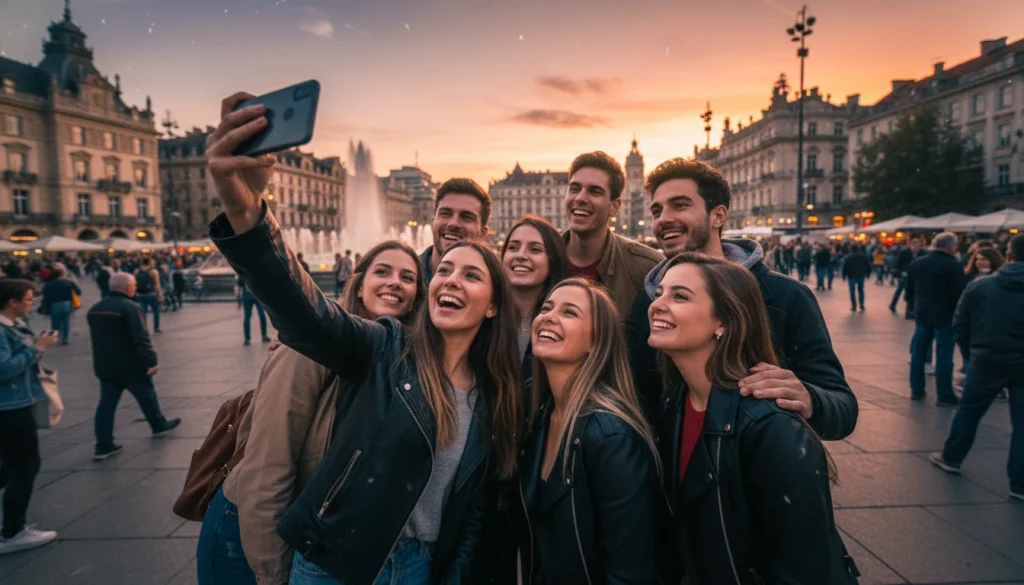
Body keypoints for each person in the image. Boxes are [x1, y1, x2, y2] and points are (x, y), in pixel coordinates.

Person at [206, 92, 522, 585]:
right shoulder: (385, 346)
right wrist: (247, 212)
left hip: (419, 566)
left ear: (495, 305)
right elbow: (304, 312)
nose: (451, 280)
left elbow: (476, 506)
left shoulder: (495, 390)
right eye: (444, 271)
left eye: (473, 275)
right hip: (337, 563)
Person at [198, 240, 427, 585]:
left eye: (408, 278)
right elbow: (268, 464)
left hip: (311, 530)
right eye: (382, 271)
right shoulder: (307, 348)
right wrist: (273, 572)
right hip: (247, 525)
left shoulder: (403, 356)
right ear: (359, 282)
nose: (395, 281)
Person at [648, 253, 859, 584]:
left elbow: (804, 568)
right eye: (659, 292)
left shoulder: (770, 428)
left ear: (724, 322)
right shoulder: (675, 403)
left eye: (679, 296)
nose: (658, 304)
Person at [627, 158, 857, 441]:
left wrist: (809, 399)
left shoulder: (785, 296)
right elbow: (640, 395)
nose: (663, 219)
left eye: (680, 205)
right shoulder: (649, 301)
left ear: (718, 216)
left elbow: (843, 408)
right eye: (656, 210)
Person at [513, 278, 673, 585]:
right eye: (546, 308)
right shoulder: (542, 415)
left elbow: (630, 571)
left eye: (569, 313)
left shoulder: (612, 437)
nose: (548, 316)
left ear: (596, 343)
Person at [930, 234, 1024, 501]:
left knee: (969, 411)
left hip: (987, 358)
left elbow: (960, 323)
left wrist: (971, 354)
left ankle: (952, 458)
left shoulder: (981, 287)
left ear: (1008, 255)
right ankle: (1019, 484)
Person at [86, 273, 180, 460]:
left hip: (105, 365)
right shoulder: (130, 307)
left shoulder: (95, 309)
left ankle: (103, 444)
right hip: (130, 365)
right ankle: (158, 425)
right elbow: (141, 338)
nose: (135, 287)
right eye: (134, 285)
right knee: (147, 395)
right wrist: (151, 361)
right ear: (127, 287)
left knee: (106, 405)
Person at [562, 152, 663, 318]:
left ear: (614, 207)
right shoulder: (542, 260)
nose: (580, 198)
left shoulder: (648, 268)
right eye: (574, 189)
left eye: (595, 192)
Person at [0, 280, 59, 555]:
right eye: (27, 299)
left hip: (16, 403)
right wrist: (37, 348)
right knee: (25, 466)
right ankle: (12, 532)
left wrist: (38, 345)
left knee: (8, 467)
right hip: (9, 408)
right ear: (12, 302)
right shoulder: (1, 331)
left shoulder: (13, 325)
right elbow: (2, 370)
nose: (31, 303)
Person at [906, 232, 966, 406]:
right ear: (950, 247)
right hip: (946, 316)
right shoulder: (952, 265)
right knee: (944, 354)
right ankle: (944, 393)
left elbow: (909, 291)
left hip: (922, 314)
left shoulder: (918, 263)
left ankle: (916, 389)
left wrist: (914, 307)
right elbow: (959, 294)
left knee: (918, 352)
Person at [500, 215, 570, 360]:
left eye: (535, 250)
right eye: (513, 247)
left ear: (552, 262)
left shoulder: (564, 325)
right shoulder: (483, 317)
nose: (521, 255)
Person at [418, 177, 491, 283]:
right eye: (445, 213)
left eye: (466, 217)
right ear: (433, 223)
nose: (454, 223)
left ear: (482, 233)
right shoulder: (405, 275)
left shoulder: (495, 286)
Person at [39, 263, 81, 345]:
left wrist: (45, 306)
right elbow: (78, 292)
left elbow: (46, 296)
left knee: (55, 323)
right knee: (66, 322)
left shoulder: (48, 284)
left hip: (54, 305)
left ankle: (56, 337)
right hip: (67, 304)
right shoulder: (68, 282)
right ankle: (65, 338)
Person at [890, 238, 924, 314]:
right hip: (904, 275)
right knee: (901, 290)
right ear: (911, 245)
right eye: (915, 246)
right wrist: (900, 272)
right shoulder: (905, 253)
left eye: (918, 247)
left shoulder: (922, 253)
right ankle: (893, 305)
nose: (916, 248)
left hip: (915, 276)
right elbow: (898, 263)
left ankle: (908, 310)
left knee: (910, 292)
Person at [238, 276, 270, 346]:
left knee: (256, 316)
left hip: (251, 293)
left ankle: (248, 339)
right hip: (253, 293)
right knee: (253, 316)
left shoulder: (242, 269)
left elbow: (239, 282)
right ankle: (249, 338)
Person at [134, 257, 163, 333]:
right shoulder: (153, 271)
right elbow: (157, 284)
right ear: (150, 262)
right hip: (151, 294)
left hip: (140, 294)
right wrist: (159, 295)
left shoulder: (137, 271)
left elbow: (134, 282)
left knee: (143, 313)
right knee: (156, 311)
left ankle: (144, 328)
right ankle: (156, 328)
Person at [842, 244, 872, 312]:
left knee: (852, 291)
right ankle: (861, 304)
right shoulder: (863, 256)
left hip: (851, 275)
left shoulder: (848, 257)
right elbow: (868, 265)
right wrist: (868, 273)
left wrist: (844, 276)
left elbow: (845, 267)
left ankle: (854, 305)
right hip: (861, 275)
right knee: (861, 290)